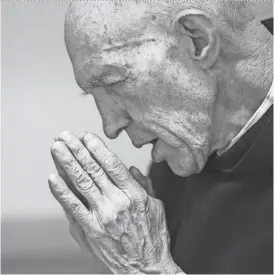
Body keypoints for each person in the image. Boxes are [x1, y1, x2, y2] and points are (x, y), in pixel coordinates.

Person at [48, 1, 273, 274]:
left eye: (112, 83)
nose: (111, 126)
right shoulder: (177, 159)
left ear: (197, 40)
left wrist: (147, 269)